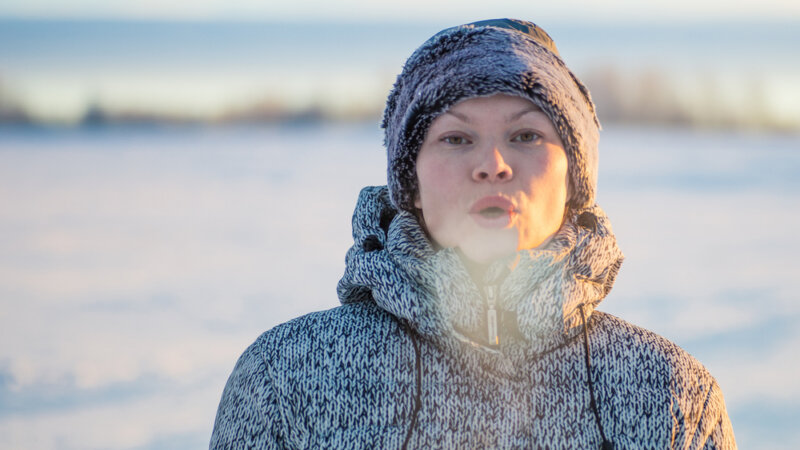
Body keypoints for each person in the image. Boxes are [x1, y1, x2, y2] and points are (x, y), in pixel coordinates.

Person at [210, 19, 736, 449]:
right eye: (457, 138)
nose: (492, 164)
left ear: (575, 179)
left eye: (525, 135)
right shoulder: (285, 376)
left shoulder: (672, 393)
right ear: (410, 183)